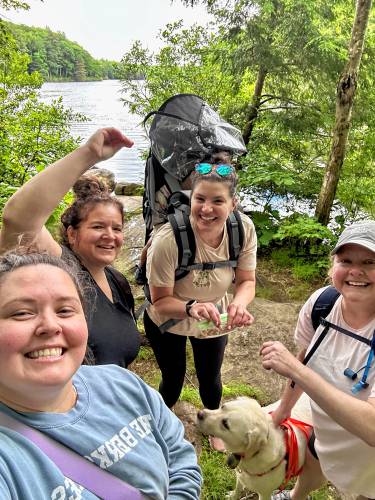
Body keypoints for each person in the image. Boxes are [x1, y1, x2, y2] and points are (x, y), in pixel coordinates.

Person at [0, 250, 202, 499]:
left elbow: (179, 460)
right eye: (21, 312)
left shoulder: (124, 385)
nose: (51, 326)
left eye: (65, 310)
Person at [0, 128, 141, 367]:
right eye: (98, 227)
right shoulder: (62, 267)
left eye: (116, 229)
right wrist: (88, 154)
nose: (110, 236)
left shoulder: (117, 280)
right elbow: (19, 220)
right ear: (72, 234)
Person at [144, 161, 257, 450]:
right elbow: (160, 300)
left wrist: (239, 305)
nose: (206, 209)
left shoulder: (242, 230)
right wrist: (191, 307)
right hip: (169, 317)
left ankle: (214, 424)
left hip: (213, 314)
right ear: (190, 198)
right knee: (173, 376)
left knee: (210, 375)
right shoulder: (168, 240)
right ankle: (163, 419)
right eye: (200, 199)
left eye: (217, 201)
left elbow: (246, 280)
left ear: (233, 204)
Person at [260, 221, 375, 500]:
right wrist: (283, 411)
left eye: (370, 262)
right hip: (327, 435)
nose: (355, 271)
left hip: (369, 461)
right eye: (345, 260)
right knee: (316, 454)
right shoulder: (322, 304)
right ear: (332, 266)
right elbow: (306, 358)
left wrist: (296, 370)